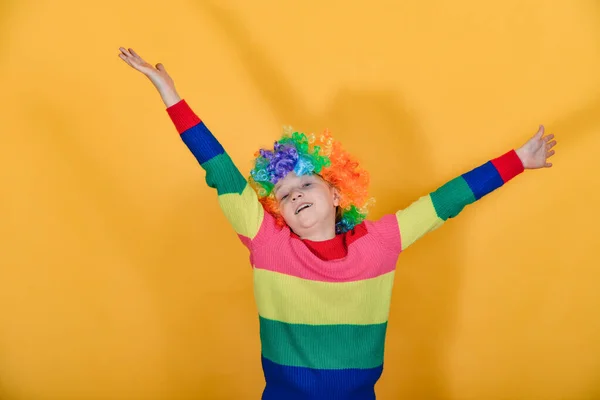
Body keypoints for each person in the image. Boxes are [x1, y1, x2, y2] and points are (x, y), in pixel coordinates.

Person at [118, 47, 557, 399]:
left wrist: (519, 159)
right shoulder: (268, 244)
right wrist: (170, 95)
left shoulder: (381, 243)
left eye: (306, 184)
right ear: (278, 213)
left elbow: (445, 201)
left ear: (335, 192)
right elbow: (221, 171)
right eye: (285, 195)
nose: (295, 195)